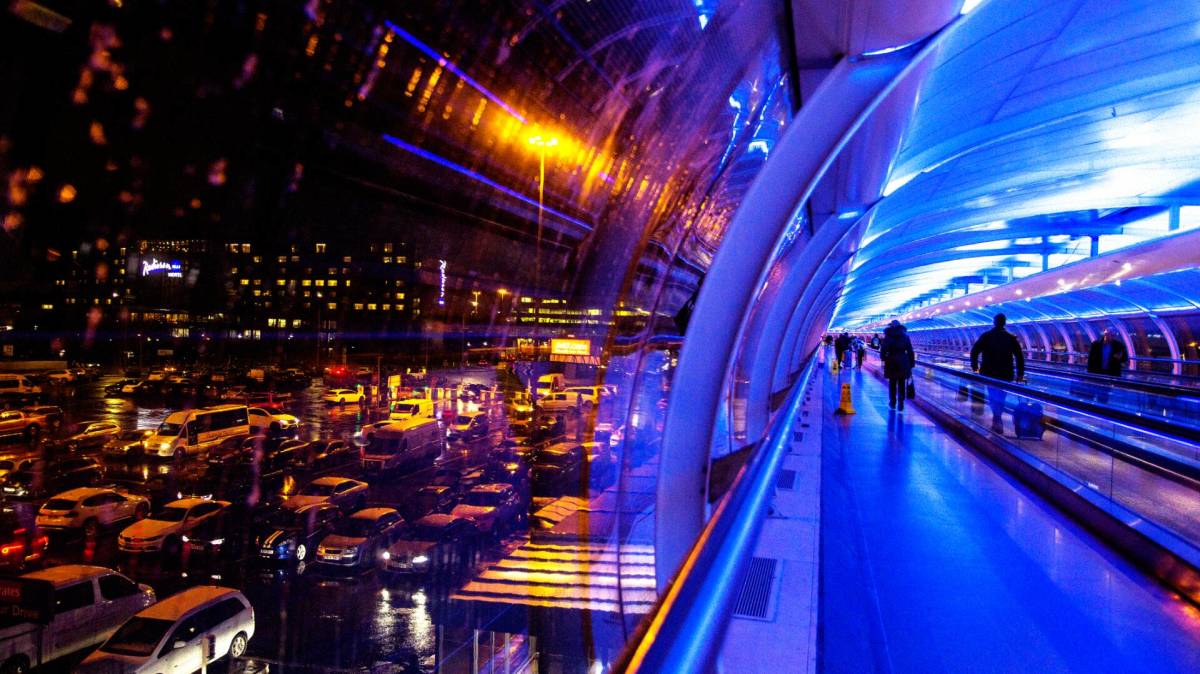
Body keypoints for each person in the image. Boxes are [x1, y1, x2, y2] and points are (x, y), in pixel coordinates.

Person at [970, 313, 1025, 433]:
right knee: (1001, 395)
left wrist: (975, 368)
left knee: (993, 394)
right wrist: (1020, 374)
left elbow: (974, 351)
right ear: (1004, 322)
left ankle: (997, 417)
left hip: (989, 372)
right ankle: (997, 416)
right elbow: (1019, 357)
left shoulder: (986, 336)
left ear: (994, 322)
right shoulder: (1011, 337)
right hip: (1006, 373)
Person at [879, 320, 915, 411]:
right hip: (903, 361)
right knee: (901, 383)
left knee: (892, 383)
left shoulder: (888, 336)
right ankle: (901, 403)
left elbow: (883, 350)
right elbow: (910, 351)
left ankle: (892, 402)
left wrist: (883, 358)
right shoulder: (905, 337)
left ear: (891, 326)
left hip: (891, 361)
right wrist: (911, 364)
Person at [1086, 328, 1128, 403]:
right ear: (1105, 334)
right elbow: (1090, 360)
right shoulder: (1095, 344)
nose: (1110, 337)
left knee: (1104, 394)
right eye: (1108, 334)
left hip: (1109, 374)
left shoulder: (1119, 345)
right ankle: (1095, 405)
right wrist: (1089, 374)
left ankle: (1101, 405)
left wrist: (1119, 358)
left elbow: (1124, 358)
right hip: (1097, 373)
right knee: (1094, 392)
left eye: (1112, 335)